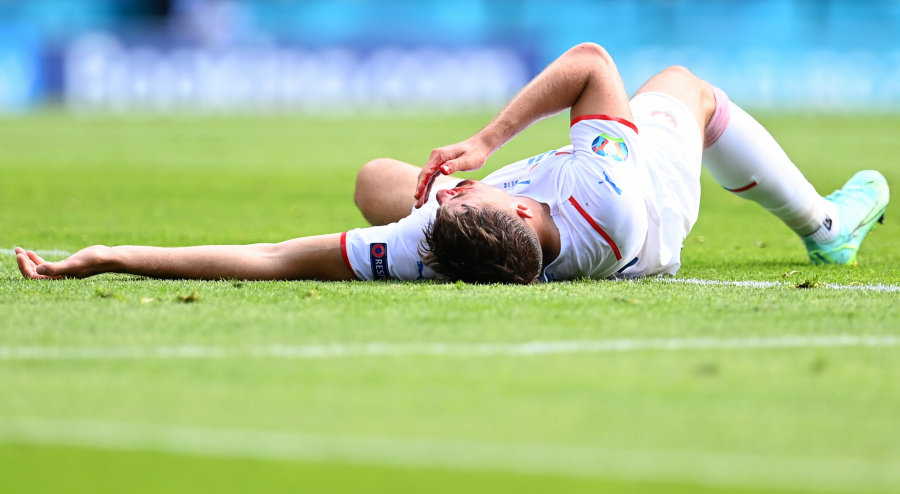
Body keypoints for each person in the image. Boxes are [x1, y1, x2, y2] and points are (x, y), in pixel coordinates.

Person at [16, 43, 889, 284]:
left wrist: (112, 254)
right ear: (518, 207)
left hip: (581, 227)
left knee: (374, 180)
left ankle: (822, 220)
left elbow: (273, 257)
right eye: (461, 196)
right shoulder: (606, 186)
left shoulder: (427, 250)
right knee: (684, 88)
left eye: (449, 198)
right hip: (656, 211)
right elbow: (592, 62)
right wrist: (485, 145)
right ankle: (825, 225)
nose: (451, 193)